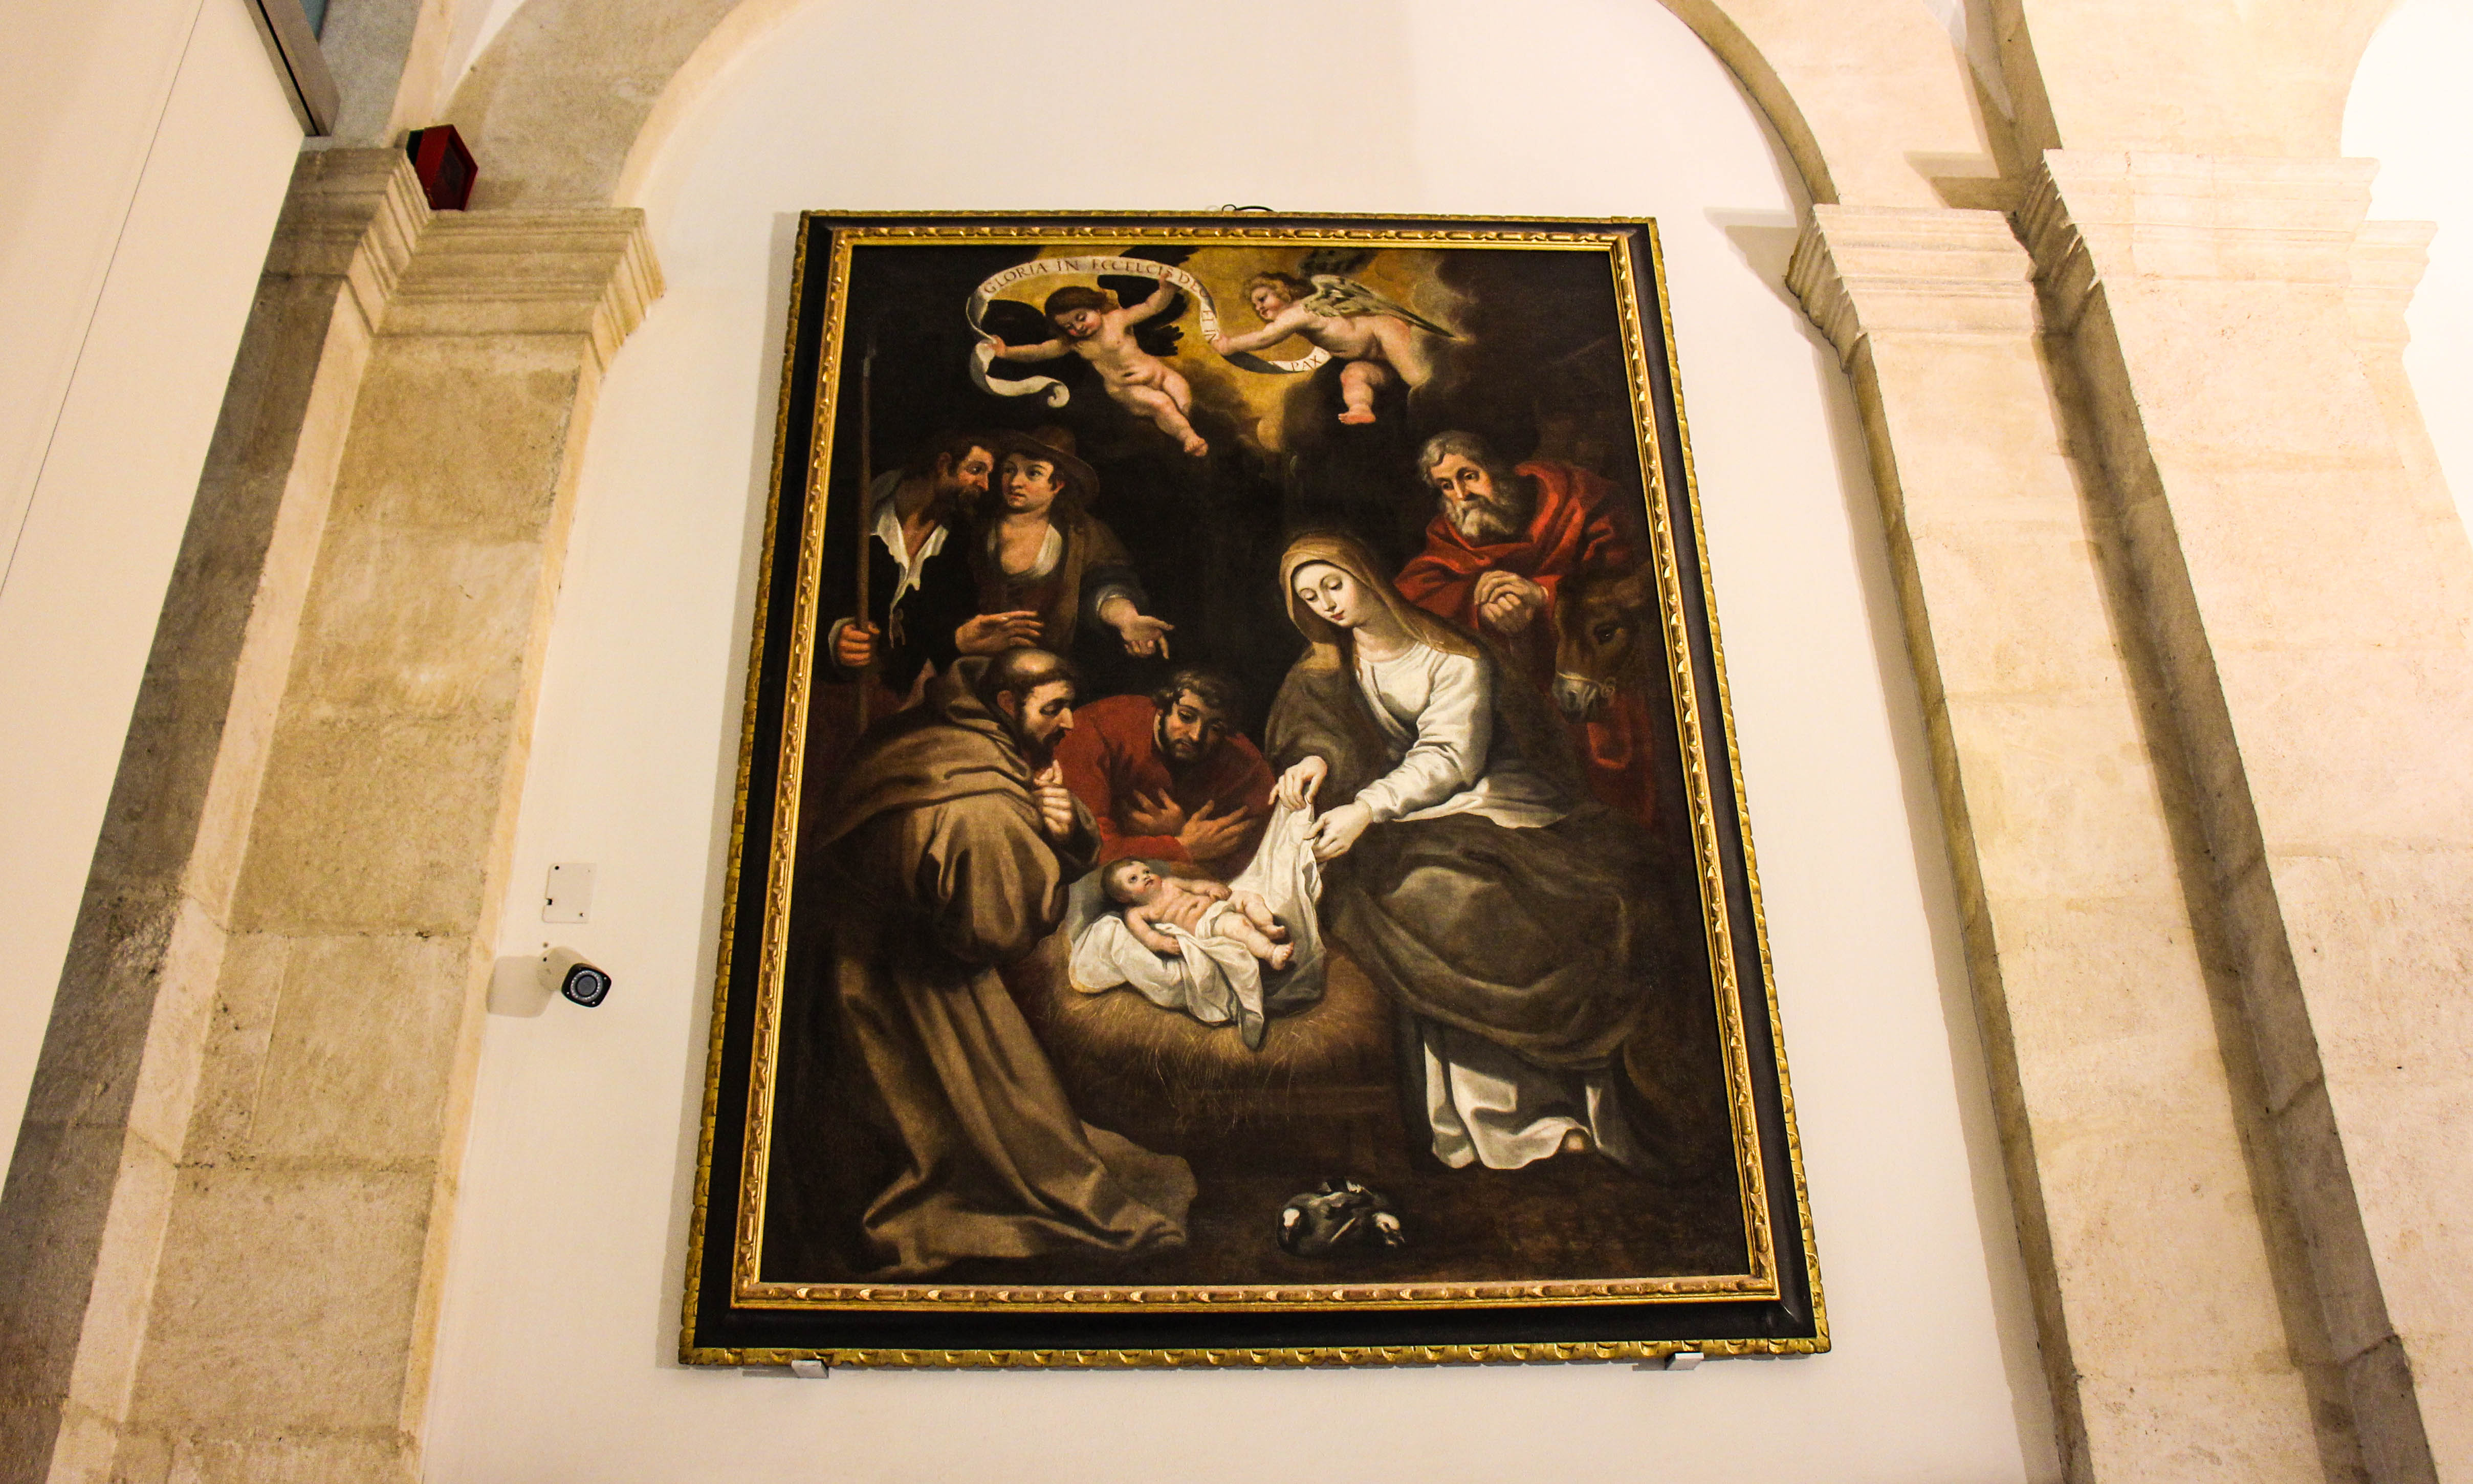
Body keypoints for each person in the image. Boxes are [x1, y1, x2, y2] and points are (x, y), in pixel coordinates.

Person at [1265, 533, 1708, 1173]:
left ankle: (1554, 1114)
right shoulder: (1326, 666)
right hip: (1399, 817)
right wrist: (1314, 759)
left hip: (1492, 804)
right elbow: (1317, 728)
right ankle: (1494, 1124)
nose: (1326, 603)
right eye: (1309, 597)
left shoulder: (1452, 654)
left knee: (1474, 900)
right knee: (1409, 891)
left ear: (1365, 574)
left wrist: (1365, 808)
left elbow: (1451, 757)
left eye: (1333, 584)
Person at [790, 646, 1193, 1275]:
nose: (1068, 723)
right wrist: (1050, 836)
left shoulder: (937, 735)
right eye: (1053, 709)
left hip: (854, 958)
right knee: (986, 1138)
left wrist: (1059, 823)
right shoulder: (983, 802)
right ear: (1007, 703)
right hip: (915, 983)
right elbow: (997, 928)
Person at [1393, 430, 1660, 830]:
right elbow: (1412, 599)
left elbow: (1626, 582)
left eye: (1469, 476)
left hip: (1597, 666)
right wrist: (1477, 599)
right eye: (1446, 486)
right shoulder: (1450, 536)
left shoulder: (1579, 500)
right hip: (1524, 687)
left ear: (1497, 470)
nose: (1461, 496)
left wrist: (1542, 595)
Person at [826, 431, 1046, 702]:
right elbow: (814, 591)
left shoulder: (961, 542)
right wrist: (837, 637)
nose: (985, 485)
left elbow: (933, 633)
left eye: (988, 475)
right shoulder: (854, 510)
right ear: (943, 464)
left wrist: (958, 639)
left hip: (901, 698)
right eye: (976, 470)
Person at [968, 427, 1173, 672]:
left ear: (1058, 484)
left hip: (1051, 667)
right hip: (978, 661)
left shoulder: (1082, 533)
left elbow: (1105, 586)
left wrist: (1128, 620)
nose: (1015, 482)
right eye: (1009, 470)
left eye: (1033, 473)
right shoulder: (977, 530)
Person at [1054, 665, 1274, 876]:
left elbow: (1259, 850)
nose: (1196, 735)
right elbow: (1092, 849)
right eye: (1186, 717)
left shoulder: (1244, 761)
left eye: (1215, 728)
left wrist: (1179, 831)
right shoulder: (1093, 731)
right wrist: (1181, 847)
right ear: (1161, 708)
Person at [989, 285, 1208, 456]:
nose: (1078, 327)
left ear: (1095, 308)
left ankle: (1190, 431)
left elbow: (1151, 306)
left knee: (1184, 400)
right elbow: (1039, 351)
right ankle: (1188, 438)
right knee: (1162, 404)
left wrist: (1166, 290)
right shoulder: (1074, 343)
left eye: (1081, 318)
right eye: (1069, 327)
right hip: (1125, 388)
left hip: (1160, 373)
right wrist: (1006, 352)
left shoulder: (1118, 319)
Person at [1211, 270, 1445, 425]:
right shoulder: (1295, 316)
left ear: (1283, 290)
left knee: (1419, 382)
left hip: (1383, 333)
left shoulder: (1298, 311)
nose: (1259, 308)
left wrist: (1230, 345)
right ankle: (1361, 408)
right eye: (1255, 306)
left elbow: (1265, 339)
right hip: (1372, 356)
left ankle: (1446, 405)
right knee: (1353, 376)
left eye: (1262, 299)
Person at [1099, 858, 1294, 971]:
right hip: (1206, 924)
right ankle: (1271, 953)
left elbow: (1194, 886)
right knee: (1239, 927)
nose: (1146, 877)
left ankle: (1265, 926)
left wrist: (1211, 888)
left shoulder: (1169, 883)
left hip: (1217, 905)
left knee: (1250, 898)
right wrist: (1162, 943)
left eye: (1146, 871)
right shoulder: (1137, 913)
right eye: (1134, 879)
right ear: (1124, 897)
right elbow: (1146, 936)